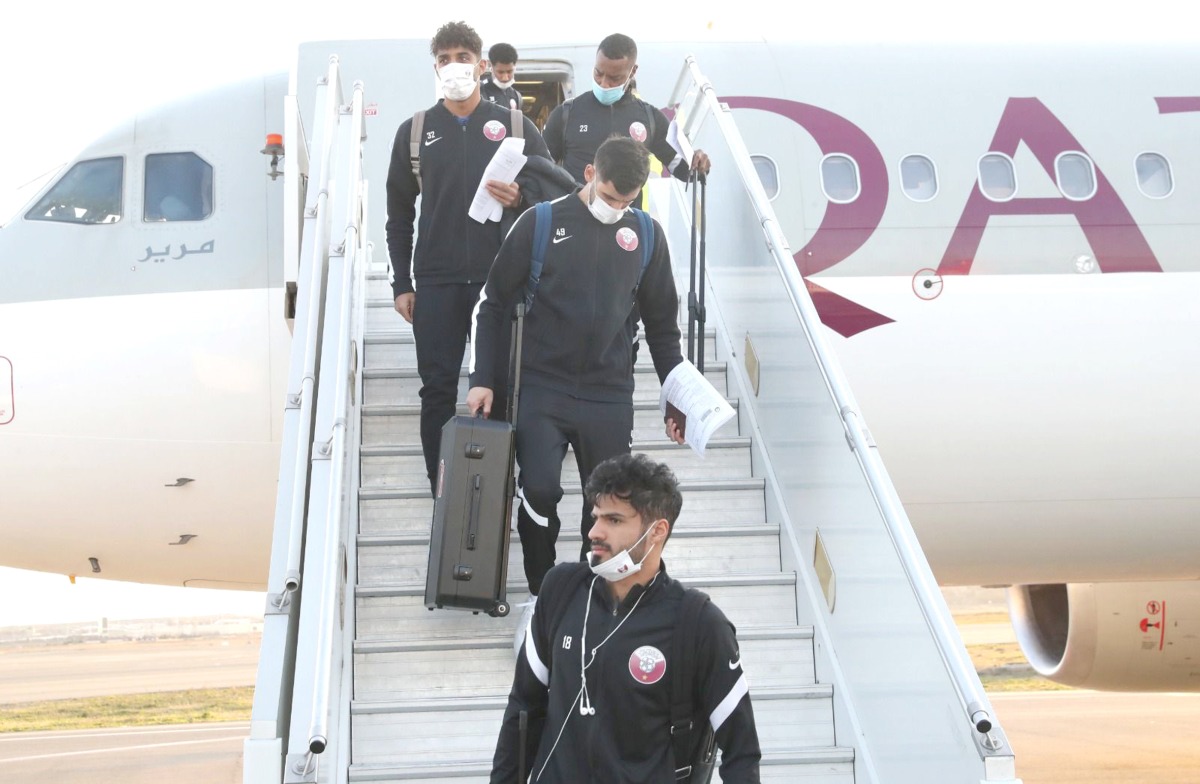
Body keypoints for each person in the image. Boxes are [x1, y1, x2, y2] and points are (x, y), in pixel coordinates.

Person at [467, 136, 686, 599]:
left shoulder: (646, 235)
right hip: (542, 386)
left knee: (613, 504)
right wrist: (483, 379)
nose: (616, 208)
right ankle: (542, 594)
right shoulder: (540, 222)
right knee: (541, 490)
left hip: (608, 392)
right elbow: (493, 304)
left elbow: (664, 328)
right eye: (609, 197)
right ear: (589, 174)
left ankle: (603, 596)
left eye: (626, 202)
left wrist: (678, 400)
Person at [490, 453, 762, 783]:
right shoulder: (561, 590)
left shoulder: (698, 623)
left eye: (614, 520)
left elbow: (741, 751)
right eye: (596, 517)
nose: (595, 531)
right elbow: (523, 708)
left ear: (657, 531)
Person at [385, 21, 551, 496]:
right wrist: (402, 282)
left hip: (499, 282)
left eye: (462, 56)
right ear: (435, 67)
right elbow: (399, 213)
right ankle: (444, 491)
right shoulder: (415, 131)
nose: (453, 65)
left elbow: (555, 190)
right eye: (444, 58)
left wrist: (521, 195)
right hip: (435, 281)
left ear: (481, 64)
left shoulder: (516, 125)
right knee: (437, 390)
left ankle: (494, 488)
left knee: (497, 387)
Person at [543, 33, 712, 193]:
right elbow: (541, 170)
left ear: (633, 71)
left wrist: (698, 161)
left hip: (628, 221)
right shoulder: (566, 114)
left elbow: (683, 170)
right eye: (598, 73)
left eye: (614, 78)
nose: (604, 84)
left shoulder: (650, 118)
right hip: (576, 218)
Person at [481, 42, 523, 111]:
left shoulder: (516, 96)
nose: (505, 78)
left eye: (509, 72)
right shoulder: (479, 91)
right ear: (491, 66)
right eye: (500, 72)